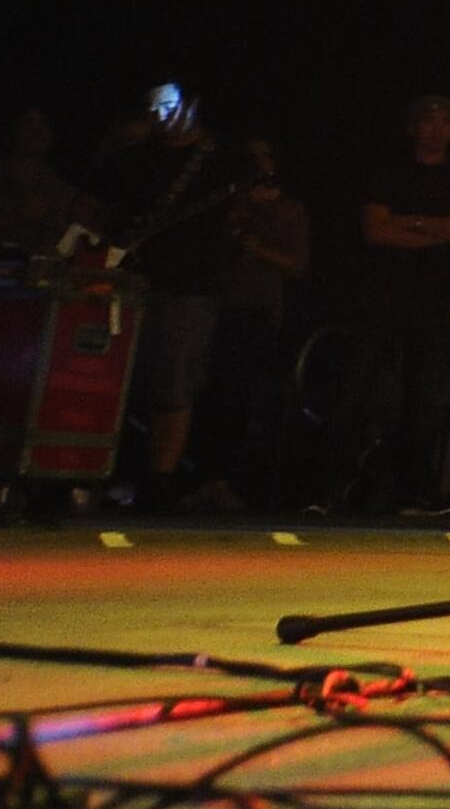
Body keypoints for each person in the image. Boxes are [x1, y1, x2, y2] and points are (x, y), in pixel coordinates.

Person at [99, 83, 236, 500]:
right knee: (110, 379)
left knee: (173, 383)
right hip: (125, 284)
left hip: (189, 286)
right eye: (151, 106)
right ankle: (102, 473)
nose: (158, 114)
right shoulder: (134, 158)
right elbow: (98, 208)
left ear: (193, 104)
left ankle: (160, 480)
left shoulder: (224, 161)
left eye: (168, 106)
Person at [357, 93, 450, 515]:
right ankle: (351, 485)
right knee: (367, 389)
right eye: (428, 121)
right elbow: (375, 231)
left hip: (434, 299)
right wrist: (436, 229)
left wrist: (409, 222)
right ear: (413, 127)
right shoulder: (389, 171)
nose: (437, 129)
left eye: (445, 121)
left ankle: (413, 491)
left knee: (424, 398)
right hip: (382, 293)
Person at [204, 133, 310, 510]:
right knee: (207, 394)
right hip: (214, 304)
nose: (260, 166)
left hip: (258, 311)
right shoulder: (225, 202)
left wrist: (257, 245)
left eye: (266, 157)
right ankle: (201, 479)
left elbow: (297, 265)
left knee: (245, 398)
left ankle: (235, 482)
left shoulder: (289, 209)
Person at [0, 108, 93, 258]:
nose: (37, 132)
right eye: (28, 124)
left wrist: (88, 225)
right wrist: (15, 216)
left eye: (44, 125)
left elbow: (74, 244)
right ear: (11, 132)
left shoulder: (62, 191)